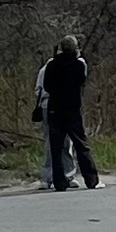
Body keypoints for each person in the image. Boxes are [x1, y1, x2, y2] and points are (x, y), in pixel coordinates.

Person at [43, 35, 104, 192]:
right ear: (76, 48)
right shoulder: (78, 65)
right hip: (72, 109)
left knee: (56, 147)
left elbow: (47, 86)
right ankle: (92, 180)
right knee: (81, 145)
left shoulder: (52, 65)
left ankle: (59, 182)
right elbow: (81, 81)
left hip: (54, 109)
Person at [35, 50, 79, 190]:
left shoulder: (49, 67)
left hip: (49, 105)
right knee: (62, 142)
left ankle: (54, 177)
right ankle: (61, 175)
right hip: (52, 104)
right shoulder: (54, 67)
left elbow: (38, 89)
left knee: (55, 142)